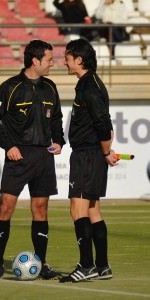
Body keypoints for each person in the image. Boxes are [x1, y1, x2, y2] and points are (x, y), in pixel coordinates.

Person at [0, 40, 66, 281]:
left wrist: (59, 141)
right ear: (35, 60)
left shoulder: (51, 87)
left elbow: (57, 120)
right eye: (50, 59)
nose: (54, 63)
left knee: (40, 210)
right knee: (5, 207)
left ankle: (41, 263)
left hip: (44, 156)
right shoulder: (9, 87)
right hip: (18, 157)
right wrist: (8, 146)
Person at [60, 38, 118, 283]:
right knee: (93, 209)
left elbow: (104, 125)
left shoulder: (89, 86)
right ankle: (102, 266)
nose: (65, 62)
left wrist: (106, 152)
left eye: (67, 57)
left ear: (79, 60)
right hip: (90, 154)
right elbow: (105, 124)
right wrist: (104, 150)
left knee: (78, 209)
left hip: (87, 155)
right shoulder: (90, 83)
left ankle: (86, 266)